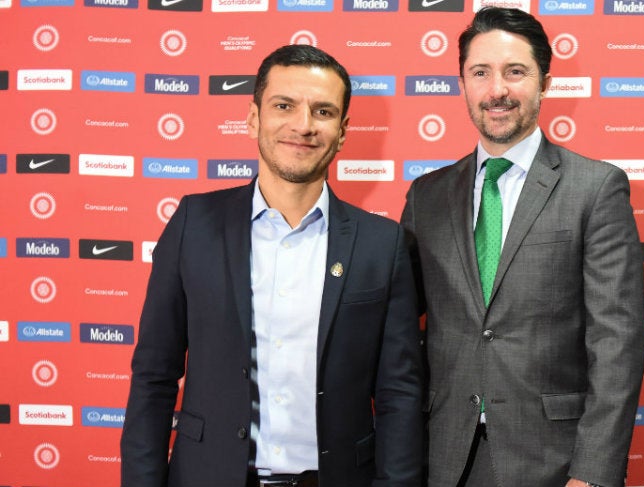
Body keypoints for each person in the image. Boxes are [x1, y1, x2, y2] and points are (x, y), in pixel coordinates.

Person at [120, 44, 424, 487]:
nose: (303, 125)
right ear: (253, 118)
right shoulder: (193, 224)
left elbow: (399, 393)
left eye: (322, 111)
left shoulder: (383, 244)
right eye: (284, 106)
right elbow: (154, 375)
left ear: (342, 131)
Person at [400, 7, 644, 487]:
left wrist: (593, 474)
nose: (497, 90)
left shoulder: (596, 188)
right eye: (481, 73)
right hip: (444, 456)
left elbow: (617, 341)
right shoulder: (426, 196)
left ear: (544, 83)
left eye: (516, 72)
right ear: (463, 84)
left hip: (554, 462)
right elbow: (398, 328)